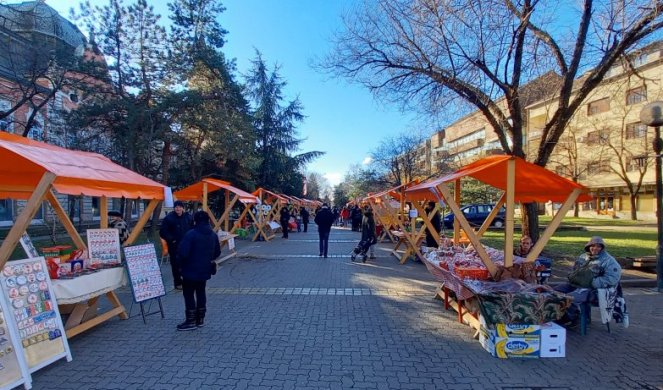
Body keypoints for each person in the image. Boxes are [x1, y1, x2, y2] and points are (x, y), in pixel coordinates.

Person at [554, 236, 622, 325]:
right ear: (589, 246)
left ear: (602, 248)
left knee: (569, 298)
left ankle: (574, 318)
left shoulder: (609, 261)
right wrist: (572, 276)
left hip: (593, 289)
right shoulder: (583, 256)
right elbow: (574, 270)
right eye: (593, 246)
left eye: (598, 246)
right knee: (554, 292)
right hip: (575, 284)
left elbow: (612, 278)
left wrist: (593, 282)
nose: (595, 248)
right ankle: (557, 317)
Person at [176, 211, 221, 331]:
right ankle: (200, 319)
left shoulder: (191, 234)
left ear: (195, 221)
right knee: (201, 292)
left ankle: (190, 321)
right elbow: (217, 252)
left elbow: (183, 252)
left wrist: (179, 264)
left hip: (189, 270)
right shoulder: (212, 234)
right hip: (205, 270)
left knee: (189, 294)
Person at [160, 200, 193, 290]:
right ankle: (178, 283)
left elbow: (193, 228)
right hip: (174, 246)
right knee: (176, 265)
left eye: (179, 206)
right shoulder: (169, 218)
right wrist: (172, 239)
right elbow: (163, 232)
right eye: (176, 207)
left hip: (187, 245)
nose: (178, 208)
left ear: (183, 208)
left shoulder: (188, 217)